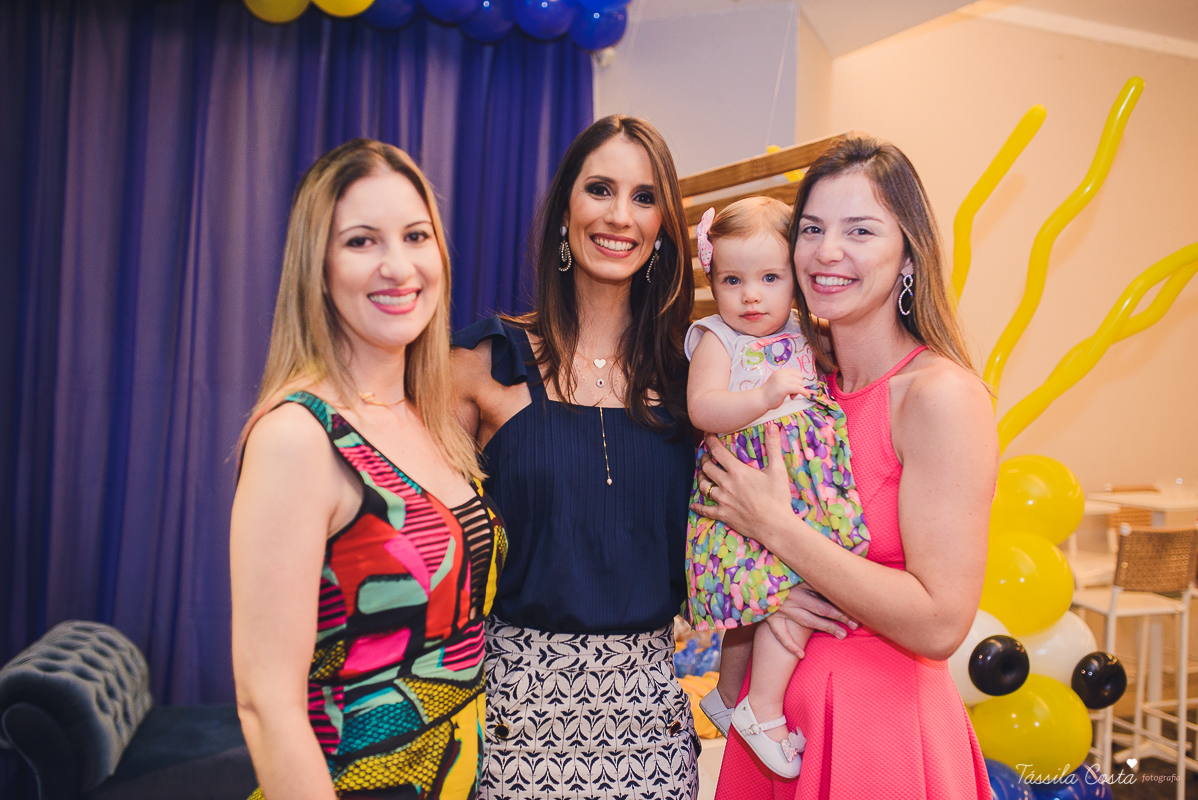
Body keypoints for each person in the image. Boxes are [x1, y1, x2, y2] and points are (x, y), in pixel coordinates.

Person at [695, 137, 997, 798]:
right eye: (811, 230)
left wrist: (779, 530)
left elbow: (941, 622)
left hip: (877, 737)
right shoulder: (799, 390)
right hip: (772, 735)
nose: (827, 252)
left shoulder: (938, 397)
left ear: (909, 256)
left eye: (859, 230)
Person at [231, 139, 506, 800]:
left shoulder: (427, 417)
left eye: (416, 236)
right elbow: (267, 708)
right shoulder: (297, 436)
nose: (398, 266)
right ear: (318, 269)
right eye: (361, 242)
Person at [451, 114, 699, 799]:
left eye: (645, 198)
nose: (621, 216)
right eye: (600, 189)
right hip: (513, 717)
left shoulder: (695, 386)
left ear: (663, 230)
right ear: (566, 210)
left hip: (650, 723)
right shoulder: (484, 363)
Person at [684, 197, 870, 779]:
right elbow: (703, 407)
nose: (751, 296)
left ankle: (728, 693)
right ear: (713, 281)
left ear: (795, 277)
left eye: (770, 278)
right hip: (749, 480)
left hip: (807, 483)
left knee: (791, 588)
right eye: (733, 280)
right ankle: (761, 709)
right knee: (783, 593)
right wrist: (763, 396)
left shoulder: (800, 330)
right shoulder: (717, 338)